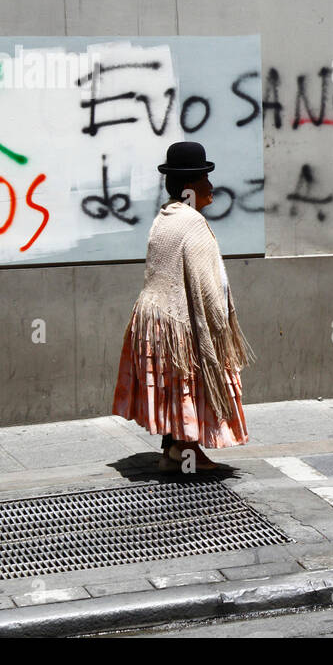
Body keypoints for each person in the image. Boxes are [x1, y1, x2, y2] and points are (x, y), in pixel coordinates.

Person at [112, 141, 256, 471]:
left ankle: (174, 451)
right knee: (190, 380)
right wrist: (220, 328)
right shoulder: (192, 223)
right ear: (191, 186)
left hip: (153, 317)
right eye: (206, 179)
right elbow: (207, 286)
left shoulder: (164, 217)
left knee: (173, 385)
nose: (212, 186)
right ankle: (187, 452)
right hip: (178, 320)